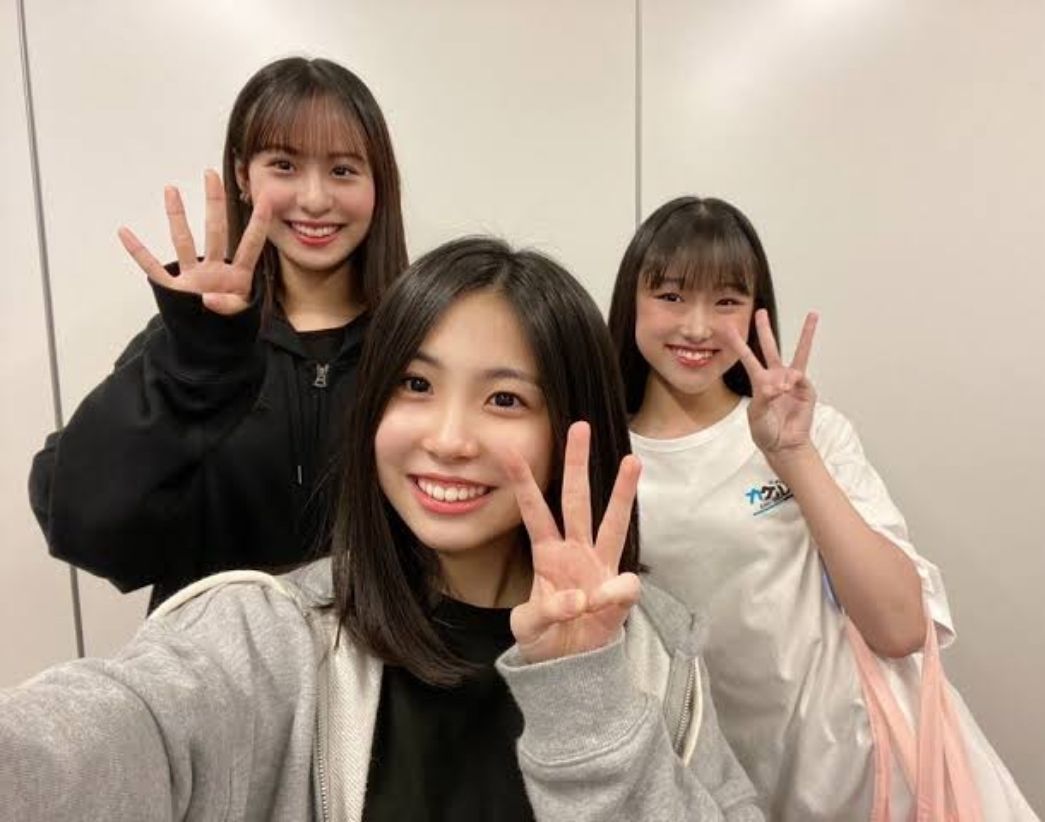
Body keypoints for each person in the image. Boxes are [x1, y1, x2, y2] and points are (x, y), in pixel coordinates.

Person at [0, 238, 762, 821]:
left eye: (504, 400)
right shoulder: (274, 638)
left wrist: (586, 699)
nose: (449, 438)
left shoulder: (654, 650)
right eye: (416, 385)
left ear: (572, 427)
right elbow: (118, 729)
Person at [607, 196, 1038, 820]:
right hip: (711, 783)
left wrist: (794, 456)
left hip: (862, 767)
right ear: (633, 301)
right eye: (671, 295)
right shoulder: (602, 458)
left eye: (726, 301)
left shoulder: (811, 433)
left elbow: (901, 628)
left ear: (755, 311)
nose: (698, 328)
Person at [28, 57, 408, 609]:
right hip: (209, 658)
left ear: (378, 183)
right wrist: (197, 359)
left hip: (382, 658)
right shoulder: (193, 344)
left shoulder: (421, 344)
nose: (315, 198)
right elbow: (80, 520)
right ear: (243, 176)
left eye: (344, 170)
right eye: (284, 165)